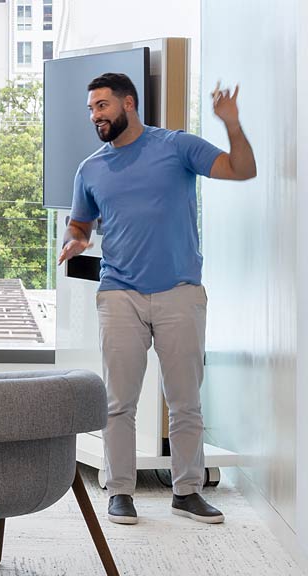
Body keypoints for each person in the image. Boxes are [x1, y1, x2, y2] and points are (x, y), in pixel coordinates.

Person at [59, 73, 256, 526]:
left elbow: (243, 170)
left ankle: (187, 491)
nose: (96, 116)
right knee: (118, 402)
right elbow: (80, 224)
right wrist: (75, 240)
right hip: (119, 294)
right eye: (91, 109)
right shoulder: (90, 169)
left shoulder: (176, 146)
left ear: (129, 103)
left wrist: (231, 123)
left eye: (103, 106)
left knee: (185, 401)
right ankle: (120, 492)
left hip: (179, 293)